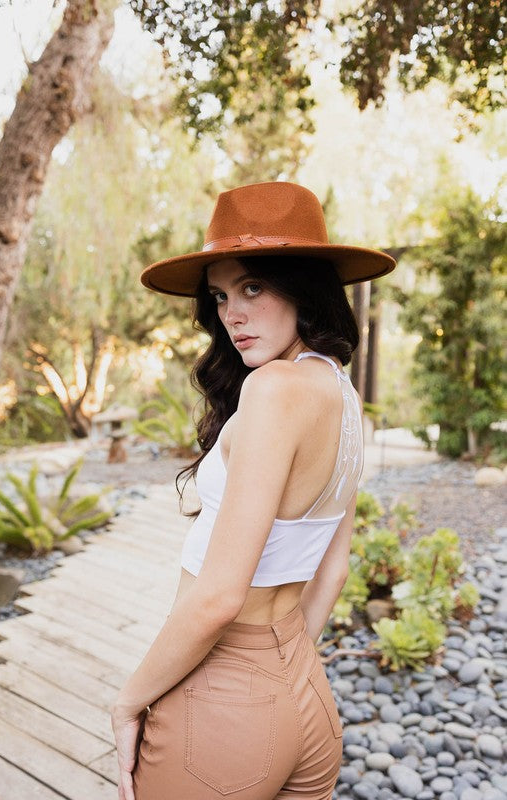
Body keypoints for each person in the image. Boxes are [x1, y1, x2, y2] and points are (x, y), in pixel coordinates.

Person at [110, 181, 396, 800]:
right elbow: (335, 567)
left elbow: (217, 597)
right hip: (304, 693)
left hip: (223, 701)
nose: (231, 314)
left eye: (253, 287)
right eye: (219, 296)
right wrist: (282, 678)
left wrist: (128, 702)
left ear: (304, 288)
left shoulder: (273, 390)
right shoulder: (341, 394)